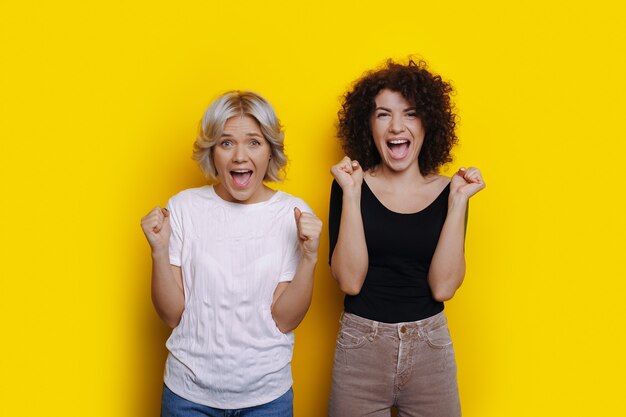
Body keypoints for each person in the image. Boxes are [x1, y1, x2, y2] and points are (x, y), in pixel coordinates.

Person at [140, 90, 322, 417]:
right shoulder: (184, 208)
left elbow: (285, 319)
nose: (240, 156)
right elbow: (171, 315)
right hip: (188, 396)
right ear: (213, 152)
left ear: (270, 151)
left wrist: (310, 258)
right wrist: (159, 251)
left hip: (267, 399)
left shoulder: (292, 215)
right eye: (226, 143)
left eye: (254, 142)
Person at [328, 59, 486, 417]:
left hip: (430, 348)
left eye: (410, 114)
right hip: (360, 347)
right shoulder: (348, 184)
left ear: (428, 123)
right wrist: (352, 195)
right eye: (383, 114)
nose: (396, 126)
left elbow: (443, 288)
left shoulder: (452, 191)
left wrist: (459, 200)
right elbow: (350, 281)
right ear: (368, 125)